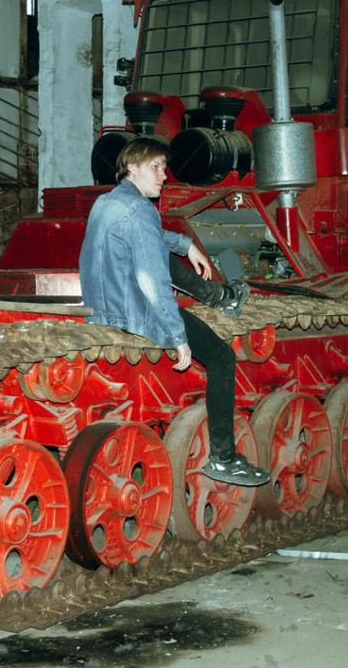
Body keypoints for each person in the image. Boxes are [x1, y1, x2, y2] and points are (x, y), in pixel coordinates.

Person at [78, 136, 270, 486]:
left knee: (156, 251)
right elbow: (152, 280)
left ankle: (218, 297)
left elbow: (147, 237)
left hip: (102, 305)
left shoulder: (108, 201)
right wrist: (177, 335)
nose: (164, 175)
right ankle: (224, 459)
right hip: (132, 311)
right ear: (132, 167)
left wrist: (185, 244)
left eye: (164, 168)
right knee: (222, 359)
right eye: (156, 167)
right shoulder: (140, 210)